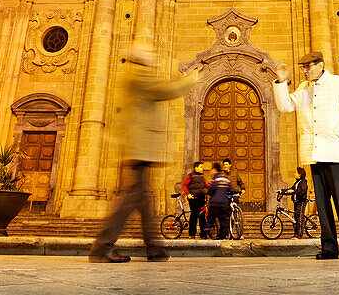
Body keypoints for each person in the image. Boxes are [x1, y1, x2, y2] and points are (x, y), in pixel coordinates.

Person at [89, 44, 199, 263]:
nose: (154, 56)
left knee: (143, 200)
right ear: (142, 58)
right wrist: (189, 79)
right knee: (131, 199)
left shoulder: (137, 76)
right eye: (150, 54)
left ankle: (154, 248)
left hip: (141, 148)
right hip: (139, 148)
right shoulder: (138, 76)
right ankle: (102, 246)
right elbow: (163, 90)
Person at [274, 51, 339, 260]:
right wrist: (280, 82)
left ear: (320, 65)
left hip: (337, 153)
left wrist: (338, 136)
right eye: (302, 67)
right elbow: (286, 106)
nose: (304, 71)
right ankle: (329, 247)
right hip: (315, 154)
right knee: (322, 205)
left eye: (308, 67)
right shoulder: (303, 89)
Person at [181, 161, 209, 239]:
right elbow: (184, 185)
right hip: (193, 198)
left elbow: (206, 185)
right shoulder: (190, 176)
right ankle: (191, 234)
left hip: (201, 197)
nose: (202, 169)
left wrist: (213, 187)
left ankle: (203, 233)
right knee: (194, 215)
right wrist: (188, 194)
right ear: (196, 168)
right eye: (201, 167)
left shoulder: (202, 176)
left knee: (203, 216)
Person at [205, 162, 232, 239]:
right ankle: (223, 235)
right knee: (223, 219)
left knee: (211, 216)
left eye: (211, 169)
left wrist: (208, 194)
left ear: (214, 170)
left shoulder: (215, 179)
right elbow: (229, 188)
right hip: (224, 203)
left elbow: (212, 189)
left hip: (215, 203)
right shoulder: (226, 179)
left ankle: (209, 225)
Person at [291, 167, 309, 238]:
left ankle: (299, 234)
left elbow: (302, 191)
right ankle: (296, 233)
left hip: (301, 202)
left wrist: (294, 191)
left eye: (295, 172)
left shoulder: (303, 182)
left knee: (300, 218)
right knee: (296, 217)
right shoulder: (297, 182)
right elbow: (291, 189)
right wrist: (282, 191)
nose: (294, 174)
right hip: (296, 202)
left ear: (300, 174)